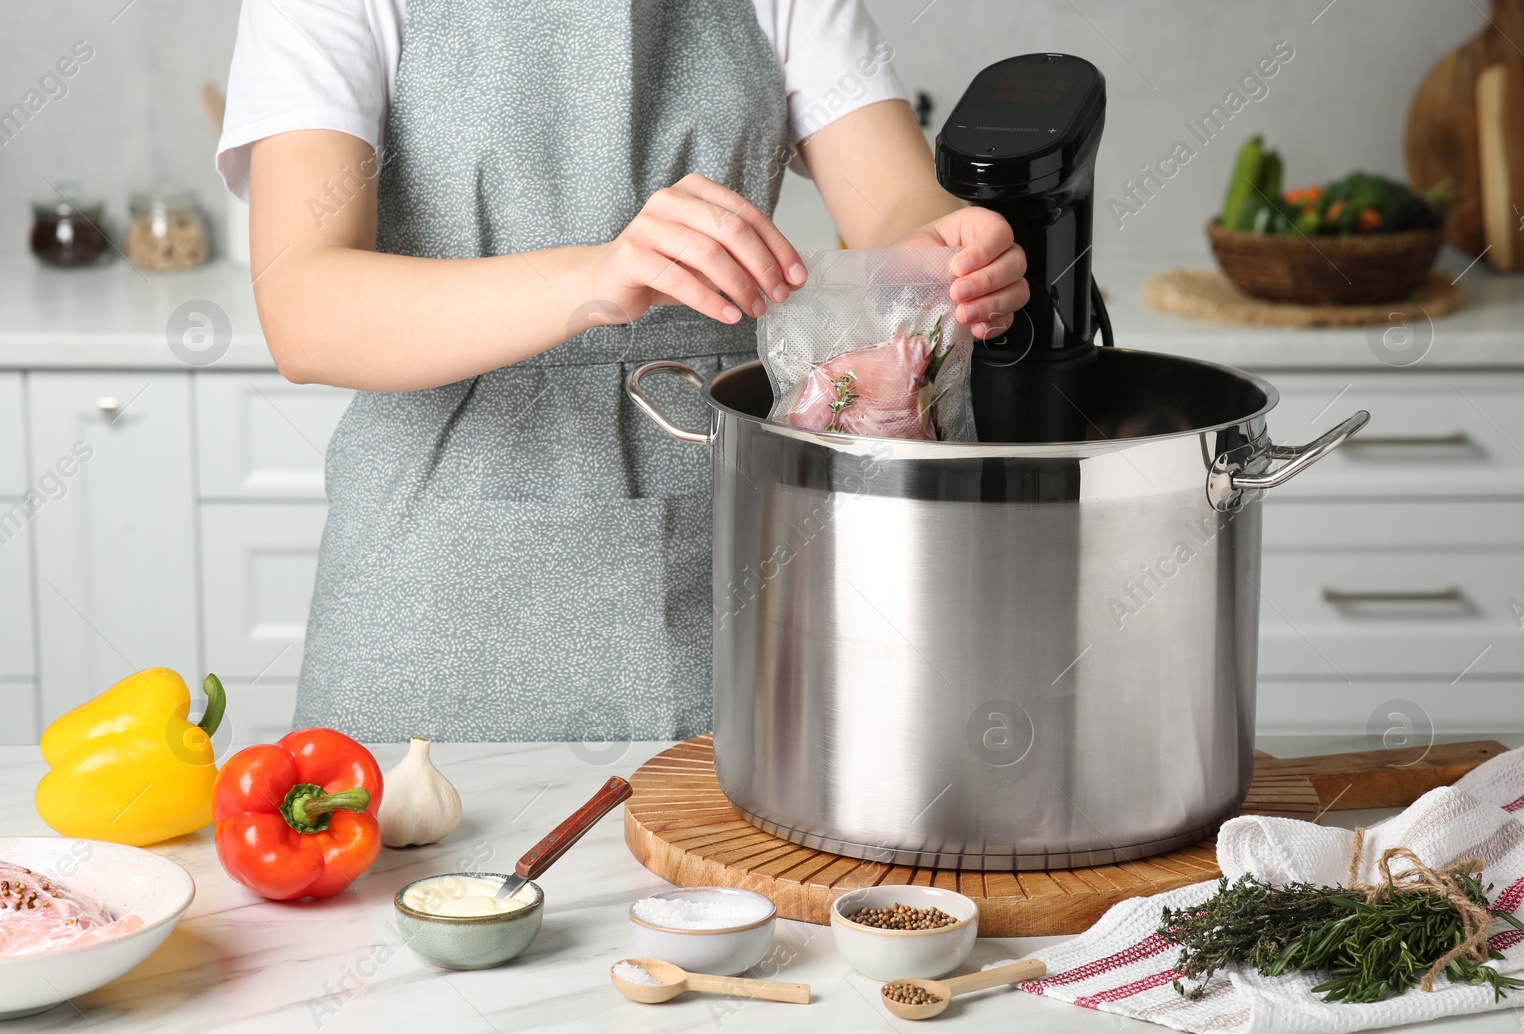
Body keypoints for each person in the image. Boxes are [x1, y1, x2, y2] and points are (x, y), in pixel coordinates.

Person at [218, 0, 1026, 742]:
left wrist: (942, 259)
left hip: (733, 549)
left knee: (740, 863)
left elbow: (894, 209)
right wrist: (593, 279)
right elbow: (305, 307)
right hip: (432, 587)